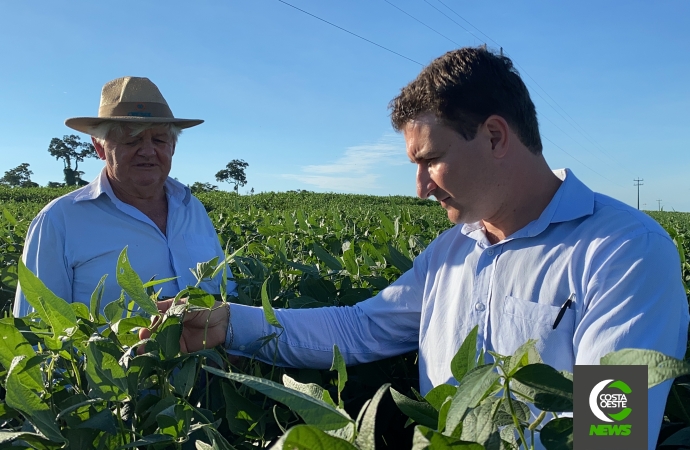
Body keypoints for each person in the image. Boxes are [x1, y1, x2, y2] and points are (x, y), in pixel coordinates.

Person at [144, 48, 688, 448]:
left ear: (496, 137)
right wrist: (226, 323)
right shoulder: (454, 250)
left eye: (430, 160)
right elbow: (357, 329)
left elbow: (612, 433)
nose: (421, 187)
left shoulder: (624, 252)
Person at [14, 76, 235, 317]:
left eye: (159, 139)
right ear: (100, 147)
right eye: (132, 140)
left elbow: (228, 295)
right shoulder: (58, 220)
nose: (149, 151)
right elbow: (36, 329)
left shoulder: (192, 208)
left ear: (172, 146)